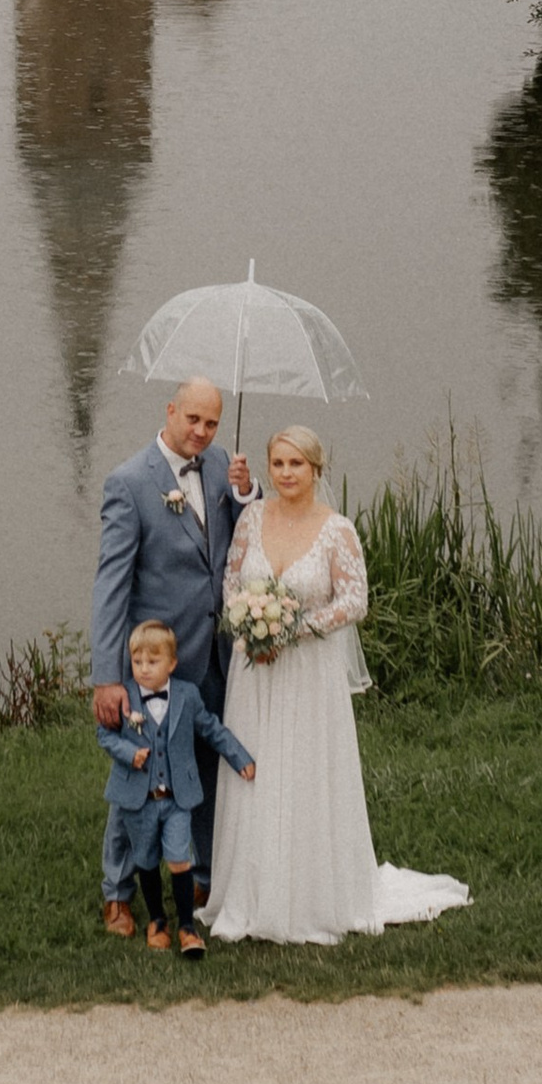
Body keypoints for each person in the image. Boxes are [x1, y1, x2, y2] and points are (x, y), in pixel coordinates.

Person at [206, 425, 470, 947]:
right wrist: (250, 621)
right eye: (277, 464)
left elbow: (355, 600)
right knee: (256, 769)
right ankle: (251, 892)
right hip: (256, 671)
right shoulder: (252, 518)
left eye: (296, 465)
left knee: (304, 770)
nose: (285, 474)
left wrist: (292, 627)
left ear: (316, 470)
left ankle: (310, 894)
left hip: (309, 672)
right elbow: (231, 583)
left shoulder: (336, 530)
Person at [90, 378, 253, 938]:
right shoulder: (130, 482)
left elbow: (231, 542)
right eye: (193, 420)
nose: (202, 433)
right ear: (170, 411)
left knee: (199, 768)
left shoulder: (219, 465)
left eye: (211, 423)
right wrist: (108, 678)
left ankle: (200, 875)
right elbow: (111, 587)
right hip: (153, 662)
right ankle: (118, 892)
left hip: (213, 651)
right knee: (135, 778)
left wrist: (245, 493)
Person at [95, 616, 257, 956]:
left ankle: (187, 925)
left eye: (152, 662)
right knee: (146, 859)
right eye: (137, 662)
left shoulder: (187, 696)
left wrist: (239, 757)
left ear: (172, 663)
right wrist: (129, 752)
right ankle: (157, 920)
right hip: (140, 800)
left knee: (179, 858)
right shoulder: (126, 698)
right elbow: (104, 735)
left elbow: (212, 729)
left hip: (177, 800)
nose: (143, 669)